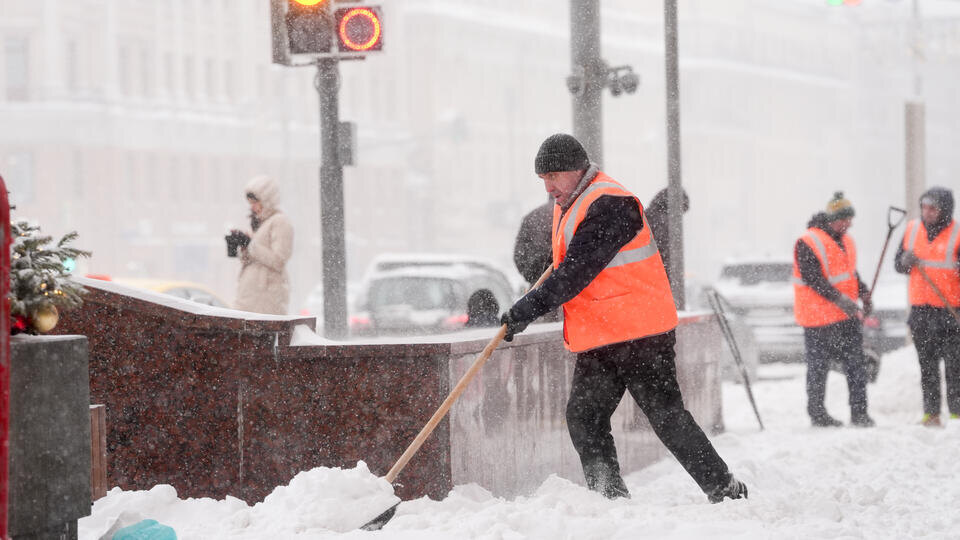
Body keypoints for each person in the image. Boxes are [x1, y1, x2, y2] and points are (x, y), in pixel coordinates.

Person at [500, 133, 747, 503]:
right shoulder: (571, 203)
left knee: (665, 416)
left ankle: (723, 488)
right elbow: (565, 265)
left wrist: (526, 309)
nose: (548, 186)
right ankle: (609, 497)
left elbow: (576, 272)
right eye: (543, 179)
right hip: (603, 336)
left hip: (640, 333)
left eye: (553, 176)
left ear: (577, 169)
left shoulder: (610, 203)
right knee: (584, 416)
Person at [792, 192, 873, 428]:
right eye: (844, 220)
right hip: (817, 319)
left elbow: (849, 273)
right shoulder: (807, 242)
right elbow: (812, 278)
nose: (848, 225)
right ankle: (817, 414)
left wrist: (864, 293)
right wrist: (839, 299)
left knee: (856, 365)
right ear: (832, 218)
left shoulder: (846, 241)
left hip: (845, 317)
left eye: (850, 221)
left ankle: (860, 413)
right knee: (818, 369)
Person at [893, 187, 960, 427]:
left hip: (951, 313)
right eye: (924, 207)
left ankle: (957, 415)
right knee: (928, 367)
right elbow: (898, 265)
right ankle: (931, 414)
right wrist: (904, 261)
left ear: (945, 210)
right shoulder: (911, 230)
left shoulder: (958, 234)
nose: (927, 212)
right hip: (921, 312)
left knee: (955, 368)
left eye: (933, 208)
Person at [232, 175, 294, 315]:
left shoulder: (280, 222)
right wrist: (242, 246)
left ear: (267, 200)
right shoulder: (260, 224)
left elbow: (279, 260)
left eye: (255, 202)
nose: (252, 207)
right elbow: (254, 259)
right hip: (250, 298)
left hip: (266, 299)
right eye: (250, 203)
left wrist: (251, 245)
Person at [644, 186, 689, 284]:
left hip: (645, 275)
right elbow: (665, 254)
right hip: (657, 278)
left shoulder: (647, 215)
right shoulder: (664, 223)